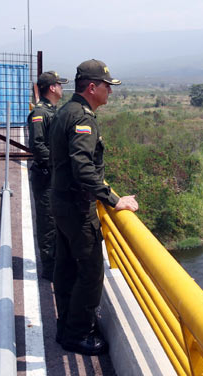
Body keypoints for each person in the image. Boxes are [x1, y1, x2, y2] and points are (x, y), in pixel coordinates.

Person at [49, 59, 138, 356]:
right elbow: (83, 168)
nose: (110, 93)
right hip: (76, 207)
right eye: (107, 87)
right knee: (90, 273)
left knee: (65, 269)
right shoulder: (83, 118)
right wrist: (114, 199)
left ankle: (66, 327)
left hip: (61, 202)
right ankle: (77, 334)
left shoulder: (66, 111)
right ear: (92, 87)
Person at [27, 71, 68, 281]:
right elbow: (38, 146)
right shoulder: (40, 113)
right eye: (60, 85)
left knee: (55, 221)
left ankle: (54, 264)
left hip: (52, 175)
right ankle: (49, 270)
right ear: (52, 88)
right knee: (48, 222)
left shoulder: (51, 111)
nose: (62, 88)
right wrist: (57, 165)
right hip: (46, 176)